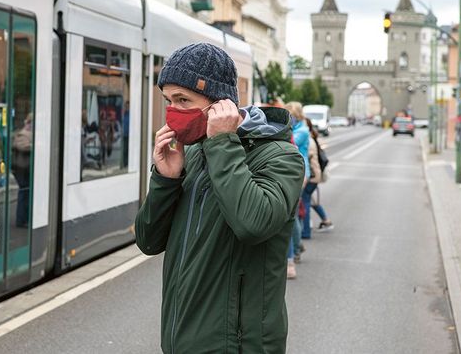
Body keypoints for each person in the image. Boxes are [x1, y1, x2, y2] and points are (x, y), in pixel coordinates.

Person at [135, 43, 304, 353]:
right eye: (169, 101)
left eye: (183, 100)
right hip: (180, 341)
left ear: (221, 105)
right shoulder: (195, 153)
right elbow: (148, 241)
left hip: (237, 346)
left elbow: (253, 223)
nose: (173, 112)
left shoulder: (281, 158)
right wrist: (165, 179)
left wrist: (223, 143)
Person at [284, 102, 310, 278]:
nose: (288, 118)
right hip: (292, 172)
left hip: (299, 175)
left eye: (290, 114)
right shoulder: (298, 128)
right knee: (292, 215)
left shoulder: (302, 131)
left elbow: (289, 140)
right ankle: (298, 244)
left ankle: (292, 255)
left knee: (290, 217)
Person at [305, 118, 333, 232]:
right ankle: (325, 221)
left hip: (311, 176)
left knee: (305, 200)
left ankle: (306, 229)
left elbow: (307, 157)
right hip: (314, 175)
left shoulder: (309, 140)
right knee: (310, 200)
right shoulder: (311, 138)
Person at [12, 113, 32, 227]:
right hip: (22, 168)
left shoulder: (29, 133)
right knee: (24, 192)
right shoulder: (22, 134)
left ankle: (25, 218)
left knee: (26, 193)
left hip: (26, 167)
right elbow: (21, 146)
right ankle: (21, 220)